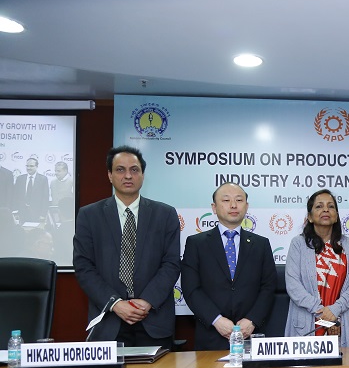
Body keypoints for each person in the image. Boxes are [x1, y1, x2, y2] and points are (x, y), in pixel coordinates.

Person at [73, 145, 181, 347]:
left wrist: (147, 301)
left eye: (134, 170)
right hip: (108, 320)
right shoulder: (89, 215)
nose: (128, 176)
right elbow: (84, 267)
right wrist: (115, 303)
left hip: (153, 320)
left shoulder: (165, 214)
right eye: (120, 170)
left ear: (143, 175)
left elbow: (171, 263)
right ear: (109, 175)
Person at [181, 183, 277, 350]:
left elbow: (268, 286)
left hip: (251, 334)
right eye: (226, 200)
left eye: (239, 200)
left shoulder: (261, 244)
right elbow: (191, 288)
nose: (233, 205)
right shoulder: (196, 243)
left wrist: (252, 320)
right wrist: (216, 320)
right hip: (211, 335)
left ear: (246, 206)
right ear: (214, 207)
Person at [285, 189, 349, 347]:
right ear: (309, 216)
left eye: (331, 206)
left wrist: (335, 310)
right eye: (319, 206)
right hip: (307, 322)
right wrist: (324, 315)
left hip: (344, 323)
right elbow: (293, 285)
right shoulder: (298, 244)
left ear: (336, 216)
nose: (325, 210)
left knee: (348, 363)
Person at [14, 157, 49, 223]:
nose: (29, 168)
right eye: (27, 166)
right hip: (22, 214)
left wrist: (43, 214)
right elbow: (15, 196)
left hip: (37, 213)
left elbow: (45, 198)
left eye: (31, 166)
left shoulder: (43, 179)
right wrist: (15, 211)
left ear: (37, 166)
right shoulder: (20, 179)